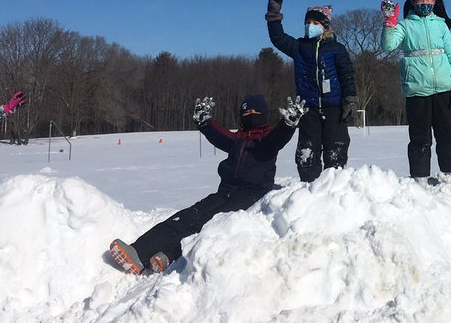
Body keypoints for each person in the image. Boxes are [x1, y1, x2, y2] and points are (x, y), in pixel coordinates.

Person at [109, 95, 305, 275]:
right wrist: (204, 121)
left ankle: (168, 254)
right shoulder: (238, 139)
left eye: (254, 112)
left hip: (251, 195)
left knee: (207, 225)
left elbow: (279, 136)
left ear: (264, 115)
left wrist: (288, 124)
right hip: (225, 192)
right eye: (245, 112)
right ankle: (138, 251)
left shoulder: (267, 139)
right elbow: (218, 134)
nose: (249, 115)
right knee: (186, 217)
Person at [380, 0, 451, 178]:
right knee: (420, 137)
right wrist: (390, 22)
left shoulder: (440, 25)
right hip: (417, 90)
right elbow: (388, 46)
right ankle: (420, 176)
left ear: (435, 1)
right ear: (413, 2)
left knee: (448, 133)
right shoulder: (405, 25)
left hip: (443, 88)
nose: (425, 2)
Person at [265, 0, 358, 182]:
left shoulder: (337, 49)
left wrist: (350, 98)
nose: (310, 25)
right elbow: (278, 39)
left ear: (325, 26)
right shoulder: (299, 47)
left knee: (336, 148)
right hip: (308, 109)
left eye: (316, 22)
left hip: (334, 108)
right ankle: (308, 187)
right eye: (307, 21)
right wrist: (274, 16)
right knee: (307, 150)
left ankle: (335, 185)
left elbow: (347, 75)